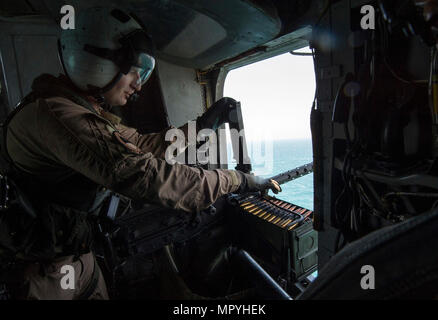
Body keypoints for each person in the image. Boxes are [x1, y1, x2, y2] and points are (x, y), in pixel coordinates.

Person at [1, 6, 281, 300]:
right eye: (134, 71)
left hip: (75, 256)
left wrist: (200, 127)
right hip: (44, 275)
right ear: (94, 62)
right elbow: (150, 177)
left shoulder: (76, 109)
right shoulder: (60, 118)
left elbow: (145, 145)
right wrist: (238, 180)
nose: (138, 84)